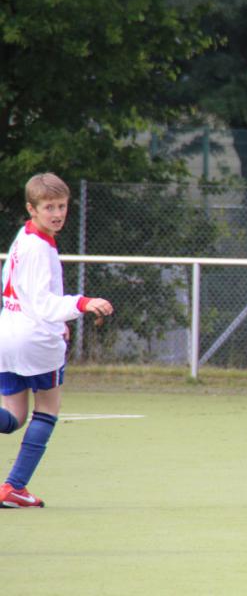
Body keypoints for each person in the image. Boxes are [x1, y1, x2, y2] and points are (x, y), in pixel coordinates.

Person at [0, 173, 114, 508]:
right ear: (31, 208)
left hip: (8, 333)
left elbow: (23, 292)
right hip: (35, 339)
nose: (57, 213)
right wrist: (82, 303)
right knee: (48, 409)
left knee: (13, 417)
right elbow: (42, 303)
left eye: (62, 206)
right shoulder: (39, 248)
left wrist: (57, 319)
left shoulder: (25, 236)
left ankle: (13, 489)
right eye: (49, 207)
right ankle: (14, 487)